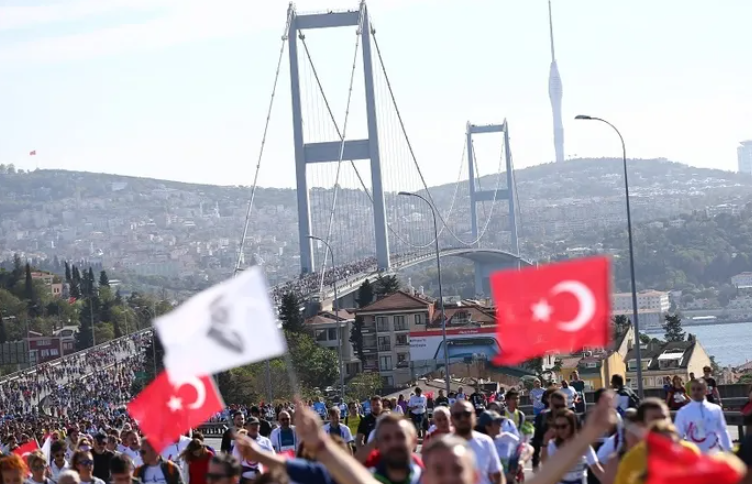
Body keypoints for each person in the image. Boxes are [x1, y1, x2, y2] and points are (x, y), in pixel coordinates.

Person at [541, 409, 604, 484]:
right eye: (557, 427)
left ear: (572, 425)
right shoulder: (553, 445)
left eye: (563, 426)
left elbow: (597, 469)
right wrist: (545, 442)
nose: (560, 430)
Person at [450, 400, 502, 484]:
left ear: (474, 415)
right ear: (451, 419)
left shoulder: (486, 441)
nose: (462, 418)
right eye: (457, 415)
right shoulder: (442, 446)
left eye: (466, 414)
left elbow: (498, 475)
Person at [674, 378, 732, 453]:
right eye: (693, 389)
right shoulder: (683, 412)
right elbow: (678, 435)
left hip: (713, 455)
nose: (695, 392)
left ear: (705, 390)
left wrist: (728, 450)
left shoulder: (715, 409)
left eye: (699, 389)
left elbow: (723, 431)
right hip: (694, 456)